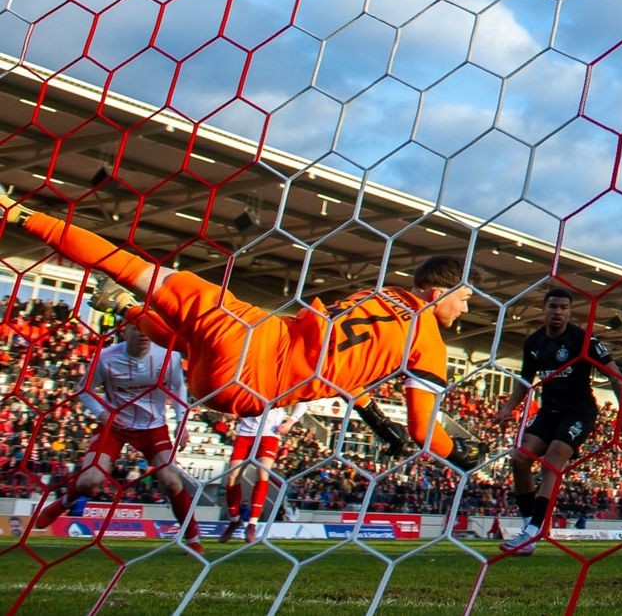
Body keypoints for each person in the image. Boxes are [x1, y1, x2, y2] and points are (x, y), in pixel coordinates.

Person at [0, 190, 484, 469]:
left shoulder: (374, 295)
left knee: (132, 267)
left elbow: (345, 367)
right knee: (192, 343)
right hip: (245, 390)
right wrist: (458, 454)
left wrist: (378, 422)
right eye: (464, 299)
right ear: (436, 293)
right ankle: (128, 310)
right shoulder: (428, 342)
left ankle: (19, 214)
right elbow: (424, 430)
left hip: (248, 333)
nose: (465, 311)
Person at [32, 322, 203, 554]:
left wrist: (182, 424)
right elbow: (84, 390)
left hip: (152, 427)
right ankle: (64, 503)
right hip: (115, 425)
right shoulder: (105, 358)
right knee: (89, 480)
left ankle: (192, 539)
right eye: (137, 328)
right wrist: (103, 414)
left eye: (147, 329)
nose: (143, 333)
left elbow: (178, 389)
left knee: (171, 480)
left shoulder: (168, 356)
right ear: (124, 332)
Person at [496, 287, 622, 556]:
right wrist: (507, 408)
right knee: (519, 458)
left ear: (570, 312)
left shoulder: (584, 341)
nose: (558, 312)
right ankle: (529, 529)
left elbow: (616, 376)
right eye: (553, 307)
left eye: (563, 308)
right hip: (549, 411)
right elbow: (525, 383)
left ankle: (533, 532)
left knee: (551, 460)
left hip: (579, 411)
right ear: (544, 310)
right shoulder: (534, 343)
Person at [218, 403, 307, 544]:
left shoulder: (280, 385)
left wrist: (290, 422)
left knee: (262, 474)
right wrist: (231, 411)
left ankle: (252, 525)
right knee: (232, 477)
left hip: (269, 433)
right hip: (245, 433)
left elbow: (302, 402)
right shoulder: (248, 382)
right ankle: (235, 520)